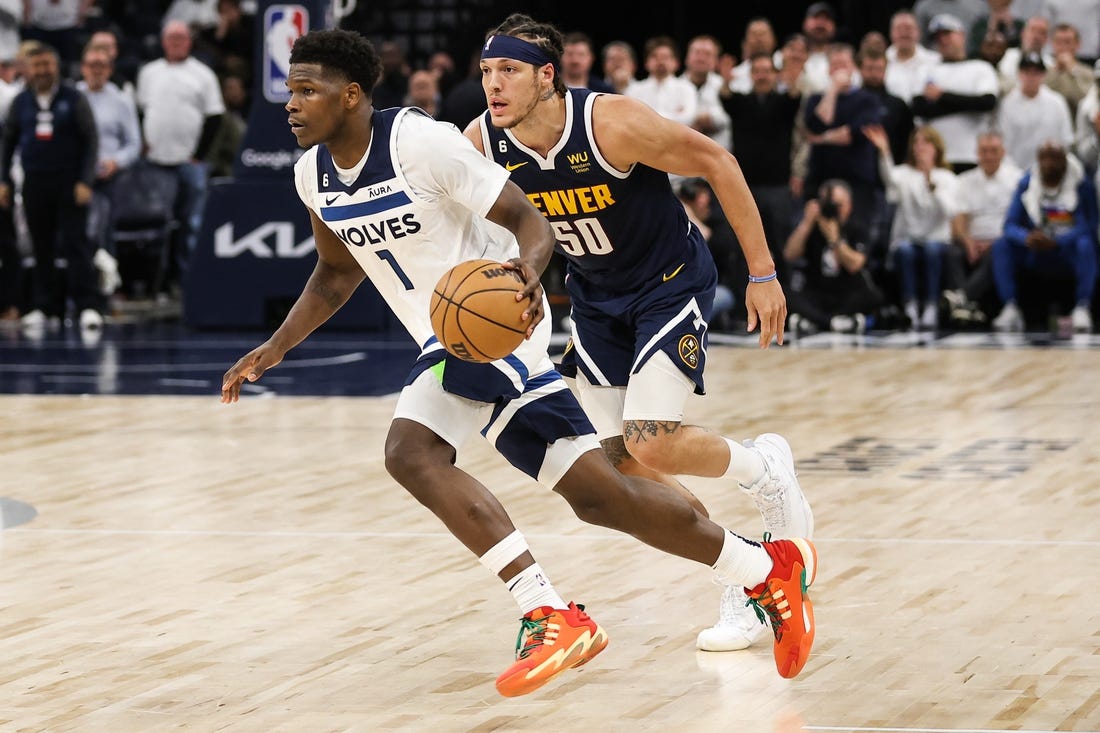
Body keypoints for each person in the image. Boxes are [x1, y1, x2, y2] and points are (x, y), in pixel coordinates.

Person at [222, 28, 819, 695]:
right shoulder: (314, 175)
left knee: (411, 451)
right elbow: (335, 274)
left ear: (352, 93)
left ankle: (549, 610)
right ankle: (763, 569)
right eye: (291, 91)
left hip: (501, 326)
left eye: (308, 89)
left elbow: (529, 219)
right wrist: (275, 346)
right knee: (604, 493)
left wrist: (527, 280)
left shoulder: (421, 142)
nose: (292, 104)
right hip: (458, 332)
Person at [465, 14, 814, 654]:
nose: (494, 85)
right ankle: (742, 572)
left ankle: (765, 469)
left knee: (651, 441)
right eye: (487, 72)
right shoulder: (483, 141)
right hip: (597, 301)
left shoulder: (610, 123)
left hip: (668, 283)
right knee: (620, 466)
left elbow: (718, 161)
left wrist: (762, 273)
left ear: (548, 75)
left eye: (509, 70)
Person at [0, 43, 101, 331]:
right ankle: (46, 306)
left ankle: (87, 305)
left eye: (47, 65)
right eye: (37, 65)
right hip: (35, 181)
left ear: (55, 66)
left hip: (70, 182)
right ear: (28, 69)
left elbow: (91, 140)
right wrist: (3, 180)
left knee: (75, 243)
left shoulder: (74, 98)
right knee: (40, 245)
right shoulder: (20, 102)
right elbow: (8, 142)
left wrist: (85, 180)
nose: (42, 71)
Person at [135, 20, 224, 291]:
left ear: (189, 42)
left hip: (190, 162)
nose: (176, 43)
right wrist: (144, 142)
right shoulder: (149, 72)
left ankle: (189, 283)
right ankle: (156, 283)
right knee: (155, 226)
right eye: (171, 38)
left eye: (181, 38)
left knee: (191, 224)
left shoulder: (203, 74)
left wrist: (199, 154)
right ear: (163, 41)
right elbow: (141, 111)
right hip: (156, 162)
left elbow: (215, 117)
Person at [991, 140, 1097, 332]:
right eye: (1044, 158)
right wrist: (1026, 237)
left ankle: (1082, 307)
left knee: (1086, 244)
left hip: (1065, 250)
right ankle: (1010, 307)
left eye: (1055, 158)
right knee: (1002, 245)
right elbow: (1010, 225)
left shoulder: (1081, 183)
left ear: (1065, 160)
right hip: (1035, 249)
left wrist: (1058, 241)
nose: (1049, 164)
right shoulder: (1027, 183)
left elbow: (1088, 225)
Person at [866, 123, 958, 330]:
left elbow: (950, 211)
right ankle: (910, 305)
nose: (920, 147)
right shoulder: (904, 173)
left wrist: (930, 182)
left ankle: (932, 305)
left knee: (932, 251)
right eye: (916, 142)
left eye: (926, 142)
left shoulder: (947, 177)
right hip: (907, 238)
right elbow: (890, 180)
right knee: (906, 251)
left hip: (937, 239)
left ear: (936, 148)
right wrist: (884, 152)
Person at [77, 45, 141, 296]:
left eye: (101, 66)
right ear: (83, 68)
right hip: (76, 177)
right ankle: (81, 287)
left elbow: (134, 144)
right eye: (91, 65)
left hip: (108, 177)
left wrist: (116, 162)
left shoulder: (121, 101)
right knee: (76, 233)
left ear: (110, 69)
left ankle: (108, 288)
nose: (96, 70)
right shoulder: (74, 96)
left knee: (103, 230)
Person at [783, 179, 884, 334]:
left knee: (874, 296)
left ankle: (815, 321)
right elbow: (789, 254)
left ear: (849, 206)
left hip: (847, 292)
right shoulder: (812, 227)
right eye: (827, 204)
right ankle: (834, 322)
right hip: (816, 291)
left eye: (838, 205)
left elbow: (855, 265)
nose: (832, 210)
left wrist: (835, 240)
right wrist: (806, 223)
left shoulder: (857, 228)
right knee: (784, 294)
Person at [911, 14, 1000, 173]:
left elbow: (986, 103)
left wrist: (941, 97)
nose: (943, 40)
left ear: (962, 35)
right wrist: (966, 104)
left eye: (947, 34)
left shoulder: (980, 68)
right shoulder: (926, 70)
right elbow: (920, 109)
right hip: (936, 158)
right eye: (938, 37)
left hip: (971, 155)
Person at [997, 52, 1074, 170]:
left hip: (1051, 173)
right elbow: (1004, 142)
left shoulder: (1057, 102)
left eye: (1036, 73)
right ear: (1019, 74)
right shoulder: (1008, 104)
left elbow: (1066, 140)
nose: (1031, 77)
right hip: (1016, 171)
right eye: (1027, 72)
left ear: (1043, 75)